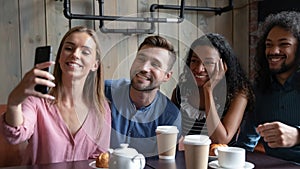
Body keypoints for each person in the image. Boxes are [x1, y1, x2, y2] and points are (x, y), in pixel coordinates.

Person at [0, 26, 111, 165]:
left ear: (95, 65)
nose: (75, 54)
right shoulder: (37, 101)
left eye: (85, 52)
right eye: (69, 48)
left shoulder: (101, 109)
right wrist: (14, 102)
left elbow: (99, 160)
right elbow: (15, 135)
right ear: (59, 57)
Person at [236, 11, 300, 163]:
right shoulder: (259, 90)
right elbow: (246, 142)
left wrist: (298, 136)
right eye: (269, 45)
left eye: (284, 44)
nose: (273, 51)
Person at [171, 33, 254, 146]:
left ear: (224, 65)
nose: (199, 69)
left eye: (208, 62)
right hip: (185, 158)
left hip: (221, 161)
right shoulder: (180, 92)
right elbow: (171, 133)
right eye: (194, 60)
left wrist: (208, 90)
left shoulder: (238, 94)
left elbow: (221, 139)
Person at [105, 35, 181, 157]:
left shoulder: (170, 117)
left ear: (167, 76)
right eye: (141, 59)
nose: (144, 68)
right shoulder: (105, 92)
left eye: (155, 64)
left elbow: (165, 164)